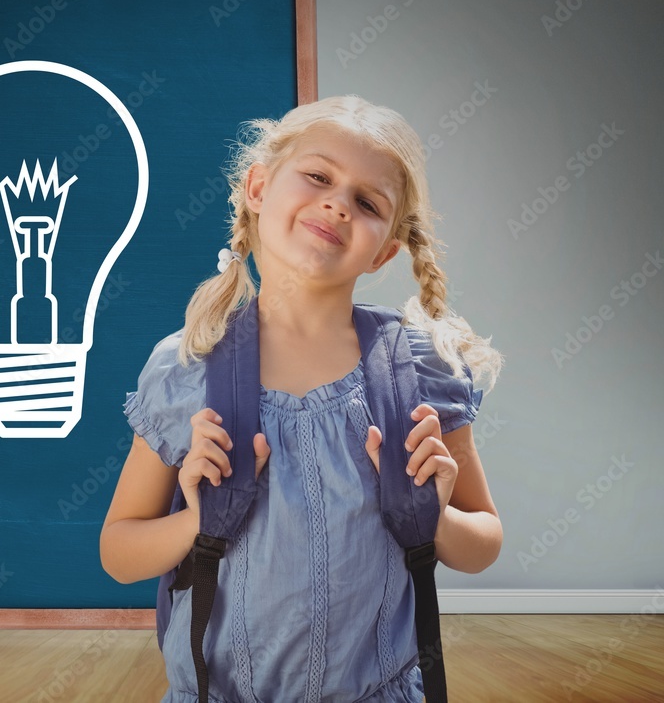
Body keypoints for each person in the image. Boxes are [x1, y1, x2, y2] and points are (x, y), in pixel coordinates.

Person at [100, 94, 504, 702]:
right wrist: (195, 522)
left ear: (385, 250)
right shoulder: (187, 368)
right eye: (318, 176)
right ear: (258, 188)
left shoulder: (421, 374)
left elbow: (483, 544)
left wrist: (437, 516)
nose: (337, 203)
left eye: (367, 203)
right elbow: (119, 553)